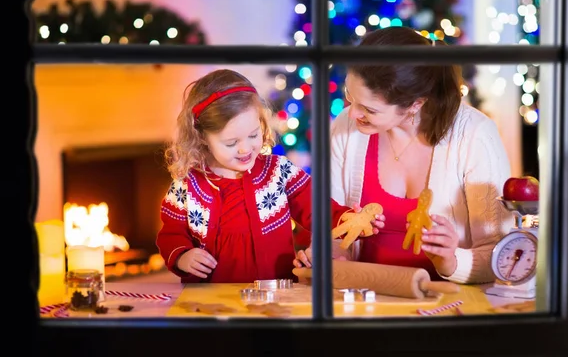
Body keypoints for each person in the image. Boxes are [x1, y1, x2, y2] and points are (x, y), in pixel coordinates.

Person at [296, 27, 513, 284]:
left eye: (369, 108)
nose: (352, 114)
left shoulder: (475, 135)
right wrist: (327, 255)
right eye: (349, 97)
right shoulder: (345, 127)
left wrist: (452, 261)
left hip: (447, 304)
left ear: (415, 104)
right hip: (365, 300)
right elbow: (332, 228)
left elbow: (504, 255)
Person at [156, 69, 384, 283]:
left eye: (253, 135)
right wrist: (182, 256)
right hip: (211, 301)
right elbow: (171, 233)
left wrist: (352, 221)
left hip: (277, 293)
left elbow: (319, 209)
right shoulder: (187, 186)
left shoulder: (278, 172)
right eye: (231, 143)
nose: (246, 149)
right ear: (202, 137)